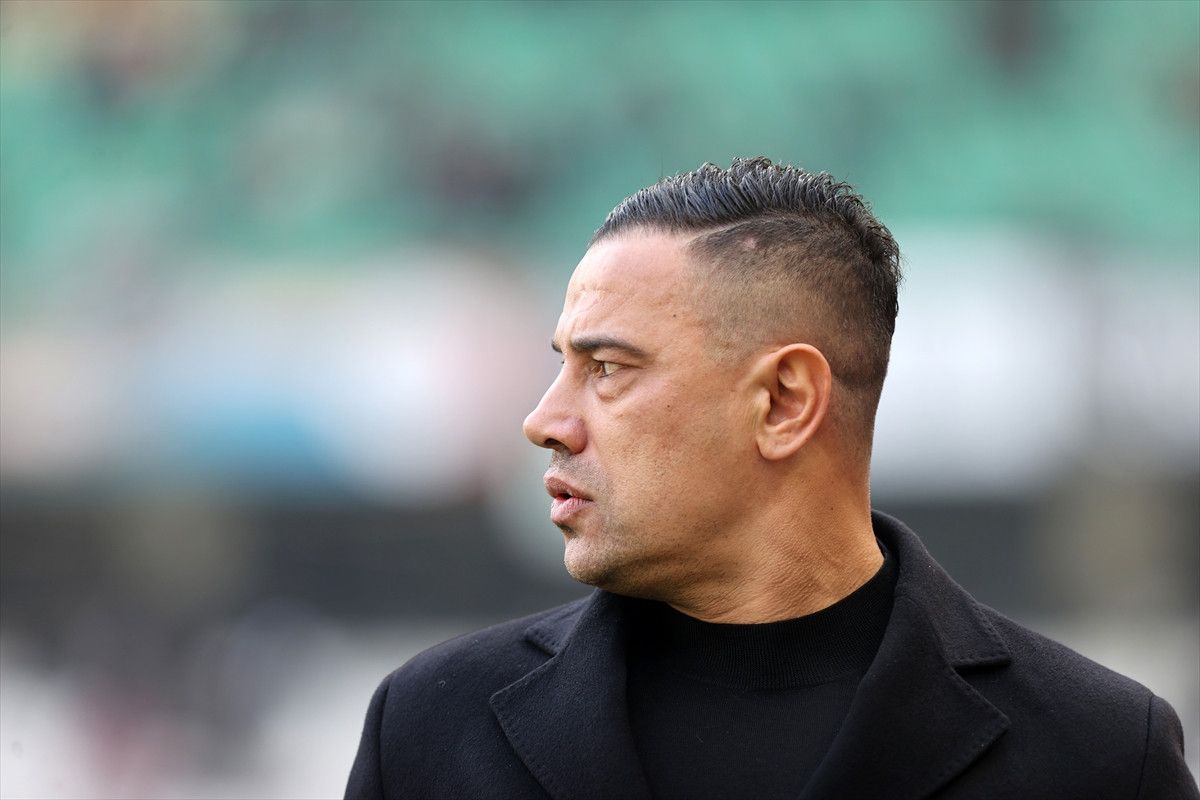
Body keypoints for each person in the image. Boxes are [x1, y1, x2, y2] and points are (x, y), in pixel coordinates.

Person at [345, 158, 1198, 799]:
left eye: (606, 368)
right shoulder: (430, 726)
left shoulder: (1098, 754)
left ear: (786, 401)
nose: (544, 420)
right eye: (562, 365)